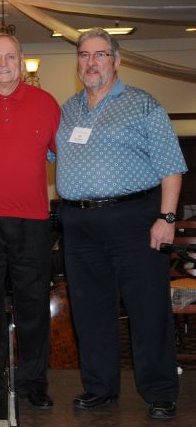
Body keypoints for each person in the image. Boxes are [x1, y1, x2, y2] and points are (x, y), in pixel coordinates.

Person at [56, 28, 186, 420]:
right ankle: (99, 387)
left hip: (134, 219)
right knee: (90, 311)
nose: (90, 62)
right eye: (84, 55)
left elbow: (171, 166)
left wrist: (166, 218)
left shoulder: (143, 104)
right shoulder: (68, 109)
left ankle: (160, 390)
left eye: (99, 54)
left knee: (148, 309)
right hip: (78, 223)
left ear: (116, 60)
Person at [0, 33, 60, 410]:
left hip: (33, 221)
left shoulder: (47, 104)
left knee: (33, 304)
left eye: (10, 58)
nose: (3, 65)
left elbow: (63, 153)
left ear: (22, 61)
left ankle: (34, 380)